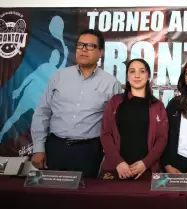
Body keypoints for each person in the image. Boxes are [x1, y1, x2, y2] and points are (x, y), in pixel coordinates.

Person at [30, 29, 122, 178]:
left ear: (101, 52)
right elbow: (42, 113)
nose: (84, 50)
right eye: (80, 45)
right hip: (55, 148)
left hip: (89, 152)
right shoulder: (59, 76)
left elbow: (115, 125)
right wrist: (38, 148)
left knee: (84, 199)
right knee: (49, 197)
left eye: (90, 46)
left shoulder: (111, 84)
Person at [100, 58, 168, 180]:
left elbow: (162, 138)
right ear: (127, 76)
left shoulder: (158, 105)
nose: (137, 75)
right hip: (116, 170)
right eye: (132, 71)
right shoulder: (115, 102)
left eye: (142, 71)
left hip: (146, 171)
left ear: (148, 76)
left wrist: (145, 163)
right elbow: (106, 134)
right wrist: (118, 163)